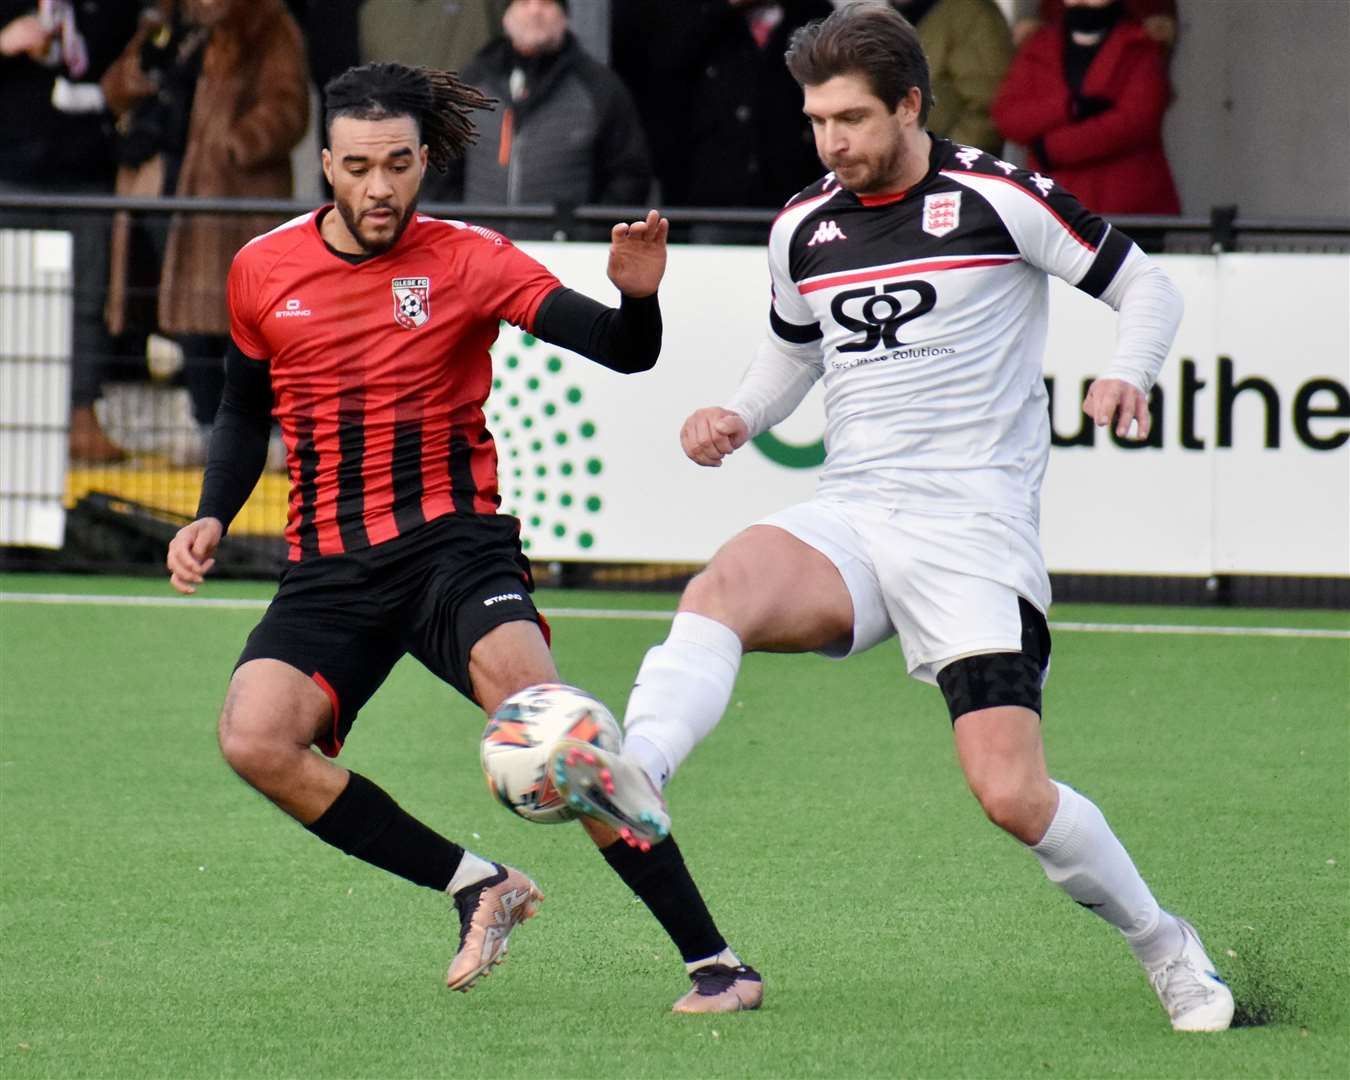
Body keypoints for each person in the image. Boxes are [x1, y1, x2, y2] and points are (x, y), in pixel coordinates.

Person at [550, 2, 1233, 1033]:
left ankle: (1164, 944)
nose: (831, 142)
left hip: (972, 531)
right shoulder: (803, 226)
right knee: (722, 583)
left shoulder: (999, 196)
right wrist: (739, 411)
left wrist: (1127, 376)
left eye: (852, 120)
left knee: (1012, 795)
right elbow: (793, 352)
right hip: (857, 514)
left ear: (911, 104)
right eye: (818, 121)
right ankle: (638, 767)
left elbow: (1148, 291)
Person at [164, 61, 760, 1013]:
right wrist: (211, 511)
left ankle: (716, 962)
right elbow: (242, 409)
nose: (378, 186)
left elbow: (622, 349)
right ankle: (479, 884)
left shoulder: (470, 258)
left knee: (562, 735)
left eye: (398, 163)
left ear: (423, 161)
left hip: (454, 550)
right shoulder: (262, 268)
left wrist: (639, 298)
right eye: (358, 166)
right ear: (325, 163)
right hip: (328, 570)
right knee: (254, 738)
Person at [101, 0, 309, 462]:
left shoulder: (266, 23)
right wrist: (139, 74)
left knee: (246, 318)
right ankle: (205, 423)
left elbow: (289, 106)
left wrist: (236, 145)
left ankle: (261, 430)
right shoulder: (167, 23)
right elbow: (113, 87)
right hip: (165, 191)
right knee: (189, 316)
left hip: (232, 199)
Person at [0, 0, 142, 463]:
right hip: (13, 174)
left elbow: (134, 61)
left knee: (86, 302)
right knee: (17, 302)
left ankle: (81, 416)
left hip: (87, 172)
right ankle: (19, 422)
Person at [422, 0, 651, 238]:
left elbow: (629, 177)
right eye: (524, 2)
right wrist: (458, 235)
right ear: (506, 16)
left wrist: (587, 236)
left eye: (547, 3)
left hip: (568, 259)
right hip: (478, 255)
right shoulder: (471, 83)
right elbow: (439, 174)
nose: (535, 11)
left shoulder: (599, 88)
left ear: (565, 17)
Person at [991, 0, 1181, 216]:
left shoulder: (1139, 45)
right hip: (1053, 206)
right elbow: (1008, 117)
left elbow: (1136, 120)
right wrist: (1069, 108)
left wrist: (1053, 148)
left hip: (1126, 204)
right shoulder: (1038, 45)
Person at [890, 0, 1012, 155]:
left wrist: (947, 164)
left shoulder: (969, 14)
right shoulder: (891, 17)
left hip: (949, 166)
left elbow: (986, 107)